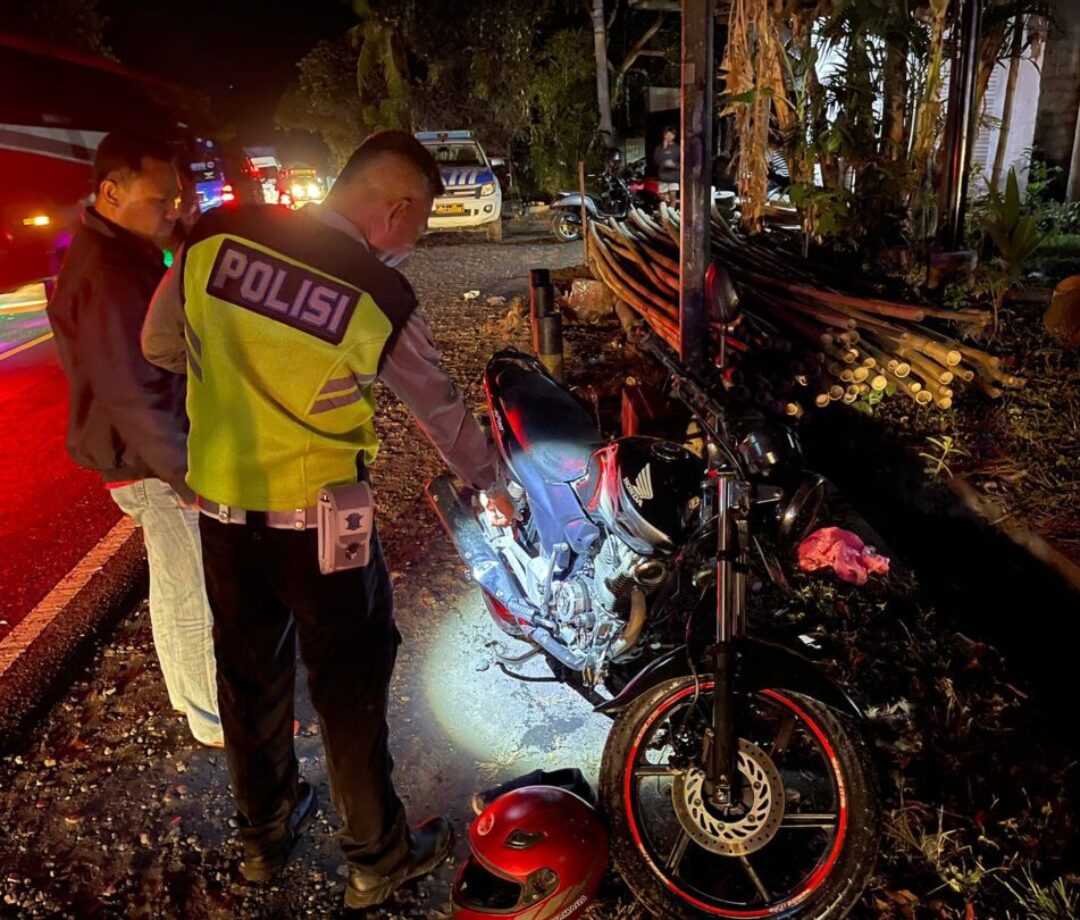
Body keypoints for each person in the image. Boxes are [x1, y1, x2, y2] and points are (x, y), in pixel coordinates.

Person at [141, 130, 515, 909]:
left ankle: (263, 835)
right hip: (321, 527)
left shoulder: (214, 236)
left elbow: (158, 343)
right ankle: (376, 856)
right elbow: (437, 412)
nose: (411, 244)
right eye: (416, 227)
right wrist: (493, 482)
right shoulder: (375, 292)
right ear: (400, 206)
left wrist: (231, 390)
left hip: (221, 509)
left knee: (247, 676)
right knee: (348, 687)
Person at [46, 132, 222, 747]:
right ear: (110, 191)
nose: (173, 209)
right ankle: (212, 718)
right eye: (161, 199)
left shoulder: (122, 248)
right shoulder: (109, 271)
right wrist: (184, 473)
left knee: (177, 579)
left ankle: (193, 700)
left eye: (177, 197)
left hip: (144, 453)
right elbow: (132, 388)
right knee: (192, 584)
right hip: (149, 457)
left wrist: (177, 228)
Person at [654, 126, 680, 204]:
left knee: (673, 197)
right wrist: (664, 148)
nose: (669, 136)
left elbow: (683, 163)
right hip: (662, 177)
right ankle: (664, 213)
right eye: (667, 134)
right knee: (663, 199)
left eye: (671, 135)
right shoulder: (659, 148)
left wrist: (674, 165)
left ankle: (672, 213)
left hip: (673, 177)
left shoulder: (678, 148)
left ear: (674, 136)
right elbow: (656, 161)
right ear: (664, 135)